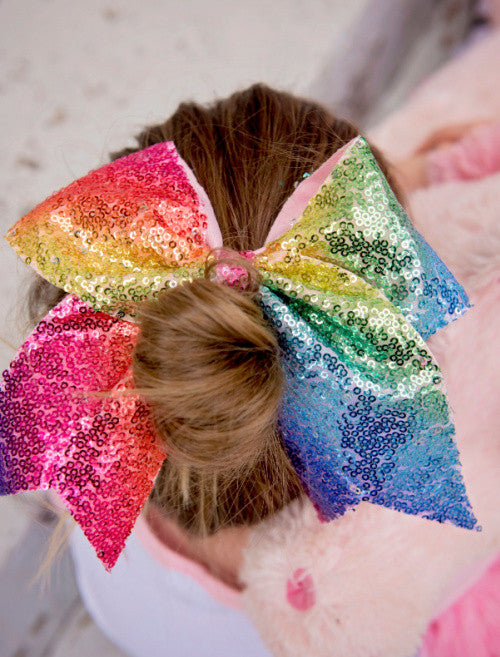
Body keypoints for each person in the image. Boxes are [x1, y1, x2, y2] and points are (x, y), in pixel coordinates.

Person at [3, 84, 499, 657]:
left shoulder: (92, 422)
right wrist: (401, 180)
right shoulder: (377, 578)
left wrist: (385, 191)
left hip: (122, 616)